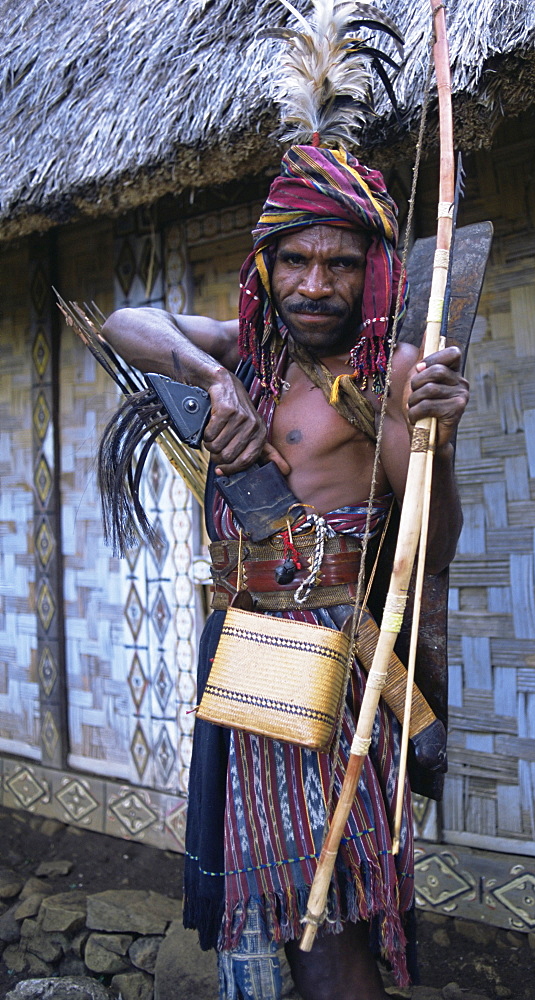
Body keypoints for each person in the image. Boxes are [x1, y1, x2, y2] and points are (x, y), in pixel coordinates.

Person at [102, 144, 469, 1000]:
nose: (314, 285)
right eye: (295, 259)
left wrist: (436, 451)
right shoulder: (245, 352)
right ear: (263, 264)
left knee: (325, 913)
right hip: (243, 653)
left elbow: (432, 549)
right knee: (268, 900)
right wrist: (210, 382)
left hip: (327, 668)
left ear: (372, 272)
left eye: (340, 263)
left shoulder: (390, 375)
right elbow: (124, 323)